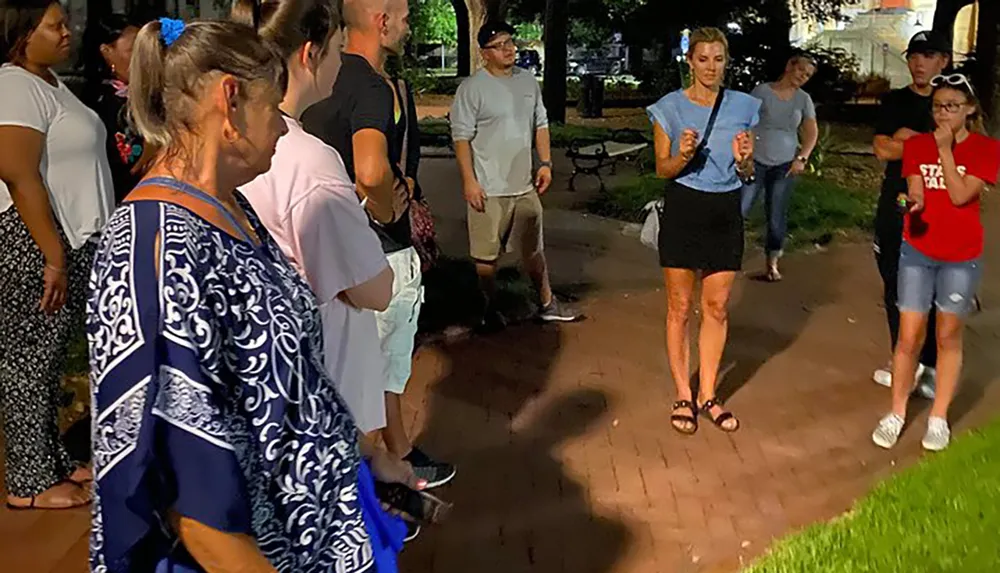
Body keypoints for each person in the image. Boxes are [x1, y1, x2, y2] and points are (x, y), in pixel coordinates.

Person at [88, 18, 413, 572]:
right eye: (274, 110)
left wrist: (363, 452)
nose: (285, 130)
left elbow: (282, 379)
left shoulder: (232, 211)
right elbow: (192, 511)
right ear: (230, 101)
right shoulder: (153, 253)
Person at [301, 0, 455, 488]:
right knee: (378, 372)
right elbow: (370, 170)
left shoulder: (316, 84)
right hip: (377, 254)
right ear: (381, 20)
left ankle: (393, 458)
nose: (409, 28)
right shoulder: (369, 84)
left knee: (345, 373)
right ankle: (377, 485)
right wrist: (387, 207)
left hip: (322, 254)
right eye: (406, 18)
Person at [0, 0, 114, 510]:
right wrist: (52, 256)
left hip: (63, 239)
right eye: (55, 25)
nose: (67, 32)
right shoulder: (13, 86)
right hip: (32, 238)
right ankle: (28, 483)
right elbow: (18, 174)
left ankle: (50, 461)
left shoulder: (47, 82)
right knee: (28, 358)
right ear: (23, 34)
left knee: (46, 358)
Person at [871, 74, 1000, 452]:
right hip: (918, 250)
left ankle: (938, 418)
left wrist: (944, 151)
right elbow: (916, 187)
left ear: (969, 109)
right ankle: (896, 412)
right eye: (938, 106)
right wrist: (915, 201)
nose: (943, 114)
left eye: (952, 106)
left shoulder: (984, 150)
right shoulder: (918, 146)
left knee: (947, 336)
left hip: (960, 256)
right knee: (910, 335)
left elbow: (961, 196)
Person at [646, 27, 759, 435]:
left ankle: (708, 393)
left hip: (725, 210)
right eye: (703, 58)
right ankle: (682, 392)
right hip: (684, 207)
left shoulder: (745, 106)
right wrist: (684, 154)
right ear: (689, 61)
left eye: (718, 59)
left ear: (726, 61)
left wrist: (745, 162)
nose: (711, 67)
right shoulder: (669, 108)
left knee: (716, 307)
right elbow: (662, 169)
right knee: (679, 307)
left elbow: (747, 172)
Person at [450, 20, 581, 329]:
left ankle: (547, 303)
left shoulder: (527, 82)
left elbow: (541, 124)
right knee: (486, 257)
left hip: (524, 186)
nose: (509, 49)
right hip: (488, 187)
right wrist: (469, 181)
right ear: (484, 53)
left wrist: (546, 162)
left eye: (510, 42)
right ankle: (489, 310)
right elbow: (461, 138)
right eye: (500, 45)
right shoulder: (472, 89)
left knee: (534, 249)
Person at [871, 31, 951, 399]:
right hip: (898, 202)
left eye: (929, 55)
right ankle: (902, 359)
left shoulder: (952, 102)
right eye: (915, 55)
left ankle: (932, 364)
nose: (920, 63)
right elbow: (883, 150)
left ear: (943, 61)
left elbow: (961, 150)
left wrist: (908, 141)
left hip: (939, 206)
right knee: (895, 283)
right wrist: (928, 142)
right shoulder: (895, 101)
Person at [741, 53, 819, 281]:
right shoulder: (762, 92)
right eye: (800, 71)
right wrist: (747, 156)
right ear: (789, 66)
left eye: (807, 75)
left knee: (776, 214)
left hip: (784, 164)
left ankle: (772, 262)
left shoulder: (803, 99)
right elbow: (748, 124)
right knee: (740, 208)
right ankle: (725, 257)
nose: (802, 77)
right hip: (756, 160)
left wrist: (802, 157)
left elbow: (811, 131)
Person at [81, 13, 144, 202]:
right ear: (107, 52)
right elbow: (118, 172)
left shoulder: (149, 93)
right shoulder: (103, 104)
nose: (143, 59)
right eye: (133, 50)